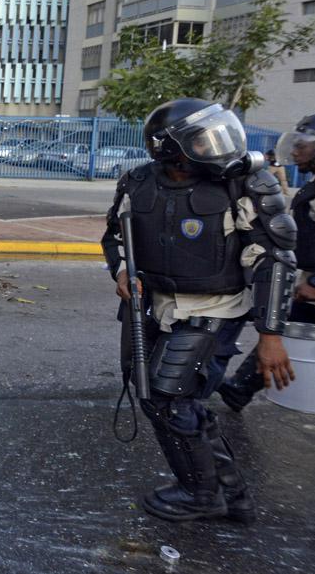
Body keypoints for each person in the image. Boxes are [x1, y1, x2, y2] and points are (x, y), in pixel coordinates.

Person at [102, 98, 296, 523]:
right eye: (204, 140)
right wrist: (120, 272)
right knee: (162, 399)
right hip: (153, 307)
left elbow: (276, 261)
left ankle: (202, 495)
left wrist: (270, 335)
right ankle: (230, 492)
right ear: (167, 147)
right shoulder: (136, 182)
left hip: (215, 307)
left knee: (170, 399)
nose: (219, 146)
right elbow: (113, 237)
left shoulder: (247, 184)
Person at [219, 113, 315, 412]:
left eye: (303, 144)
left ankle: (239, 388)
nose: (296, 150)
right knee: (278, 332)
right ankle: (239, 388)